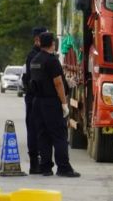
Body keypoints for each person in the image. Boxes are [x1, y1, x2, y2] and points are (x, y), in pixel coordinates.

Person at [30, 32, 80, 177]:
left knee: (43, 135)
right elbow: (58, 83)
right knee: (59, 135)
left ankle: (45, 167)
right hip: (51, 102)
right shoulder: (52, 60)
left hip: (37, 102)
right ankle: (63, 168)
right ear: (52, 43)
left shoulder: (35, 59)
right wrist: (64, 103)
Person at [22, 26, 46, 174]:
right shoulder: (33, 56)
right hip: (34, 98)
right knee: (34, 130)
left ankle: (39, 162)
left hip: (35, 97)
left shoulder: (37, 54)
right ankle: (34, 163)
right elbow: (30, 79)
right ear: (37, 39)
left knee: (40, 130)